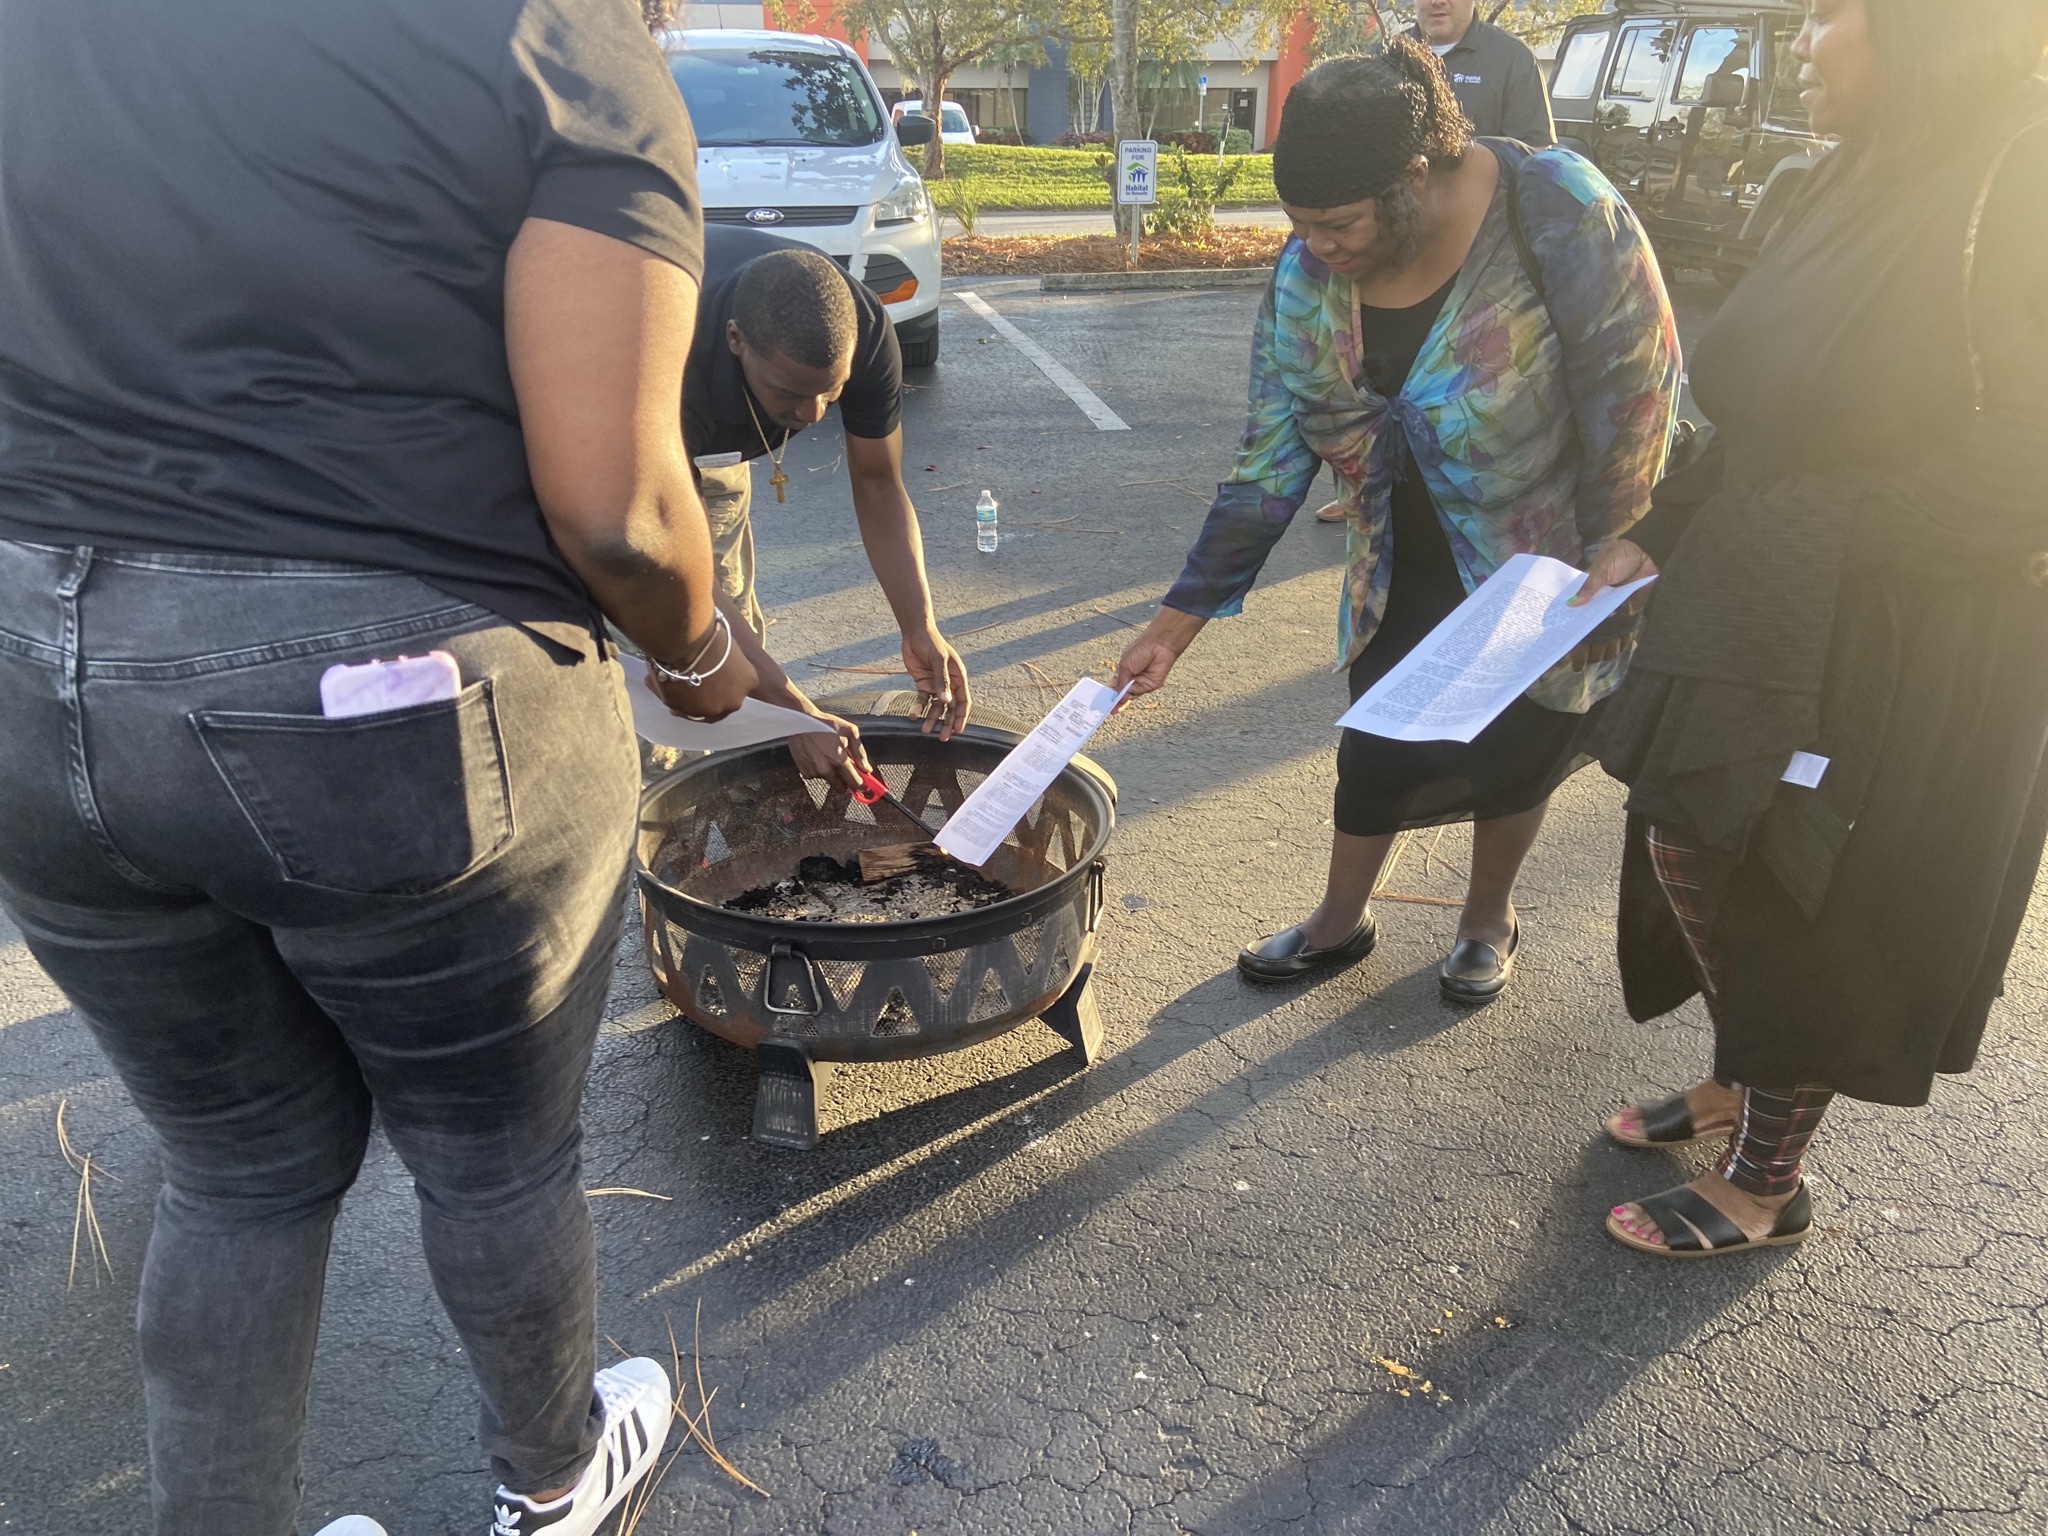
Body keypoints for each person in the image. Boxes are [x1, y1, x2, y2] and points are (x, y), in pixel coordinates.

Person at [0, 2, 753, 1533]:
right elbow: (616, 510)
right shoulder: (559, 37)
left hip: (23, 661)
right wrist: (700, 653)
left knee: (238, 1166)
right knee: (492, 1151)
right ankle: (551, 1486)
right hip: (375, 685)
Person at [1583, 0, 2048, 1259]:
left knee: (1793, 877)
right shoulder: (1846, 168)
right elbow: (1762, 402)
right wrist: (1659, 530)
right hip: (1769, 591)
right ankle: (1748, 1072)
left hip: (1903, 628)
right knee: (1690, 826)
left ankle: (1764, 1179)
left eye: (1827, 12)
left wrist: (1807, 535)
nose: (1798, 39)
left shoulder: (2021, 170)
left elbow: (2025, 455)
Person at [1112, 41, 1680, 1000]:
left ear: (1415, 175)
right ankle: (1340, 921)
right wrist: (1175, 624)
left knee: (1516, 750)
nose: (1319, 248)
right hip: (1395, 557)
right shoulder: (1307, 276)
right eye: (1301, 227)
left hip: (1540, 557)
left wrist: (1626, 530)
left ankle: (1487, 915)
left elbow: (1640, 386)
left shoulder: (1557, 210)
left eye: (1337, 225)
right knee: (1374, 749)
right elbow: (1268, 461)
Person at [682, 224, 973, 788]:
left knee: (731, 638)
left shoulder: (863, 331)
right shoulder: (673, 355)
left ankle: (738, 776)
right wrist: (792, 704)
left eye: (830, 392)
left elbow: (879, 485)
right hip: (606, 434)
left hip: (711, 447)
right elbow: (679, 568)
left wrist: (920, 625)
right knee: (662, 645)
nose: (813, 415)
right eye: (790, 393)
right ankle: (664, 790)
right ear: (737, 339)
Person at [1311, 1, 1554, 524]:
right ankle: (1361, 487)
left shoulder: (1510, 59)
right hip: (1390, 253)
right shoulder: (1382, 55)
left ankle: (1468, 491)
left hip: (1478, 263)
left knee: (1469, 385)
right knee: (1367, 374)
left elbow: (1538, 156)